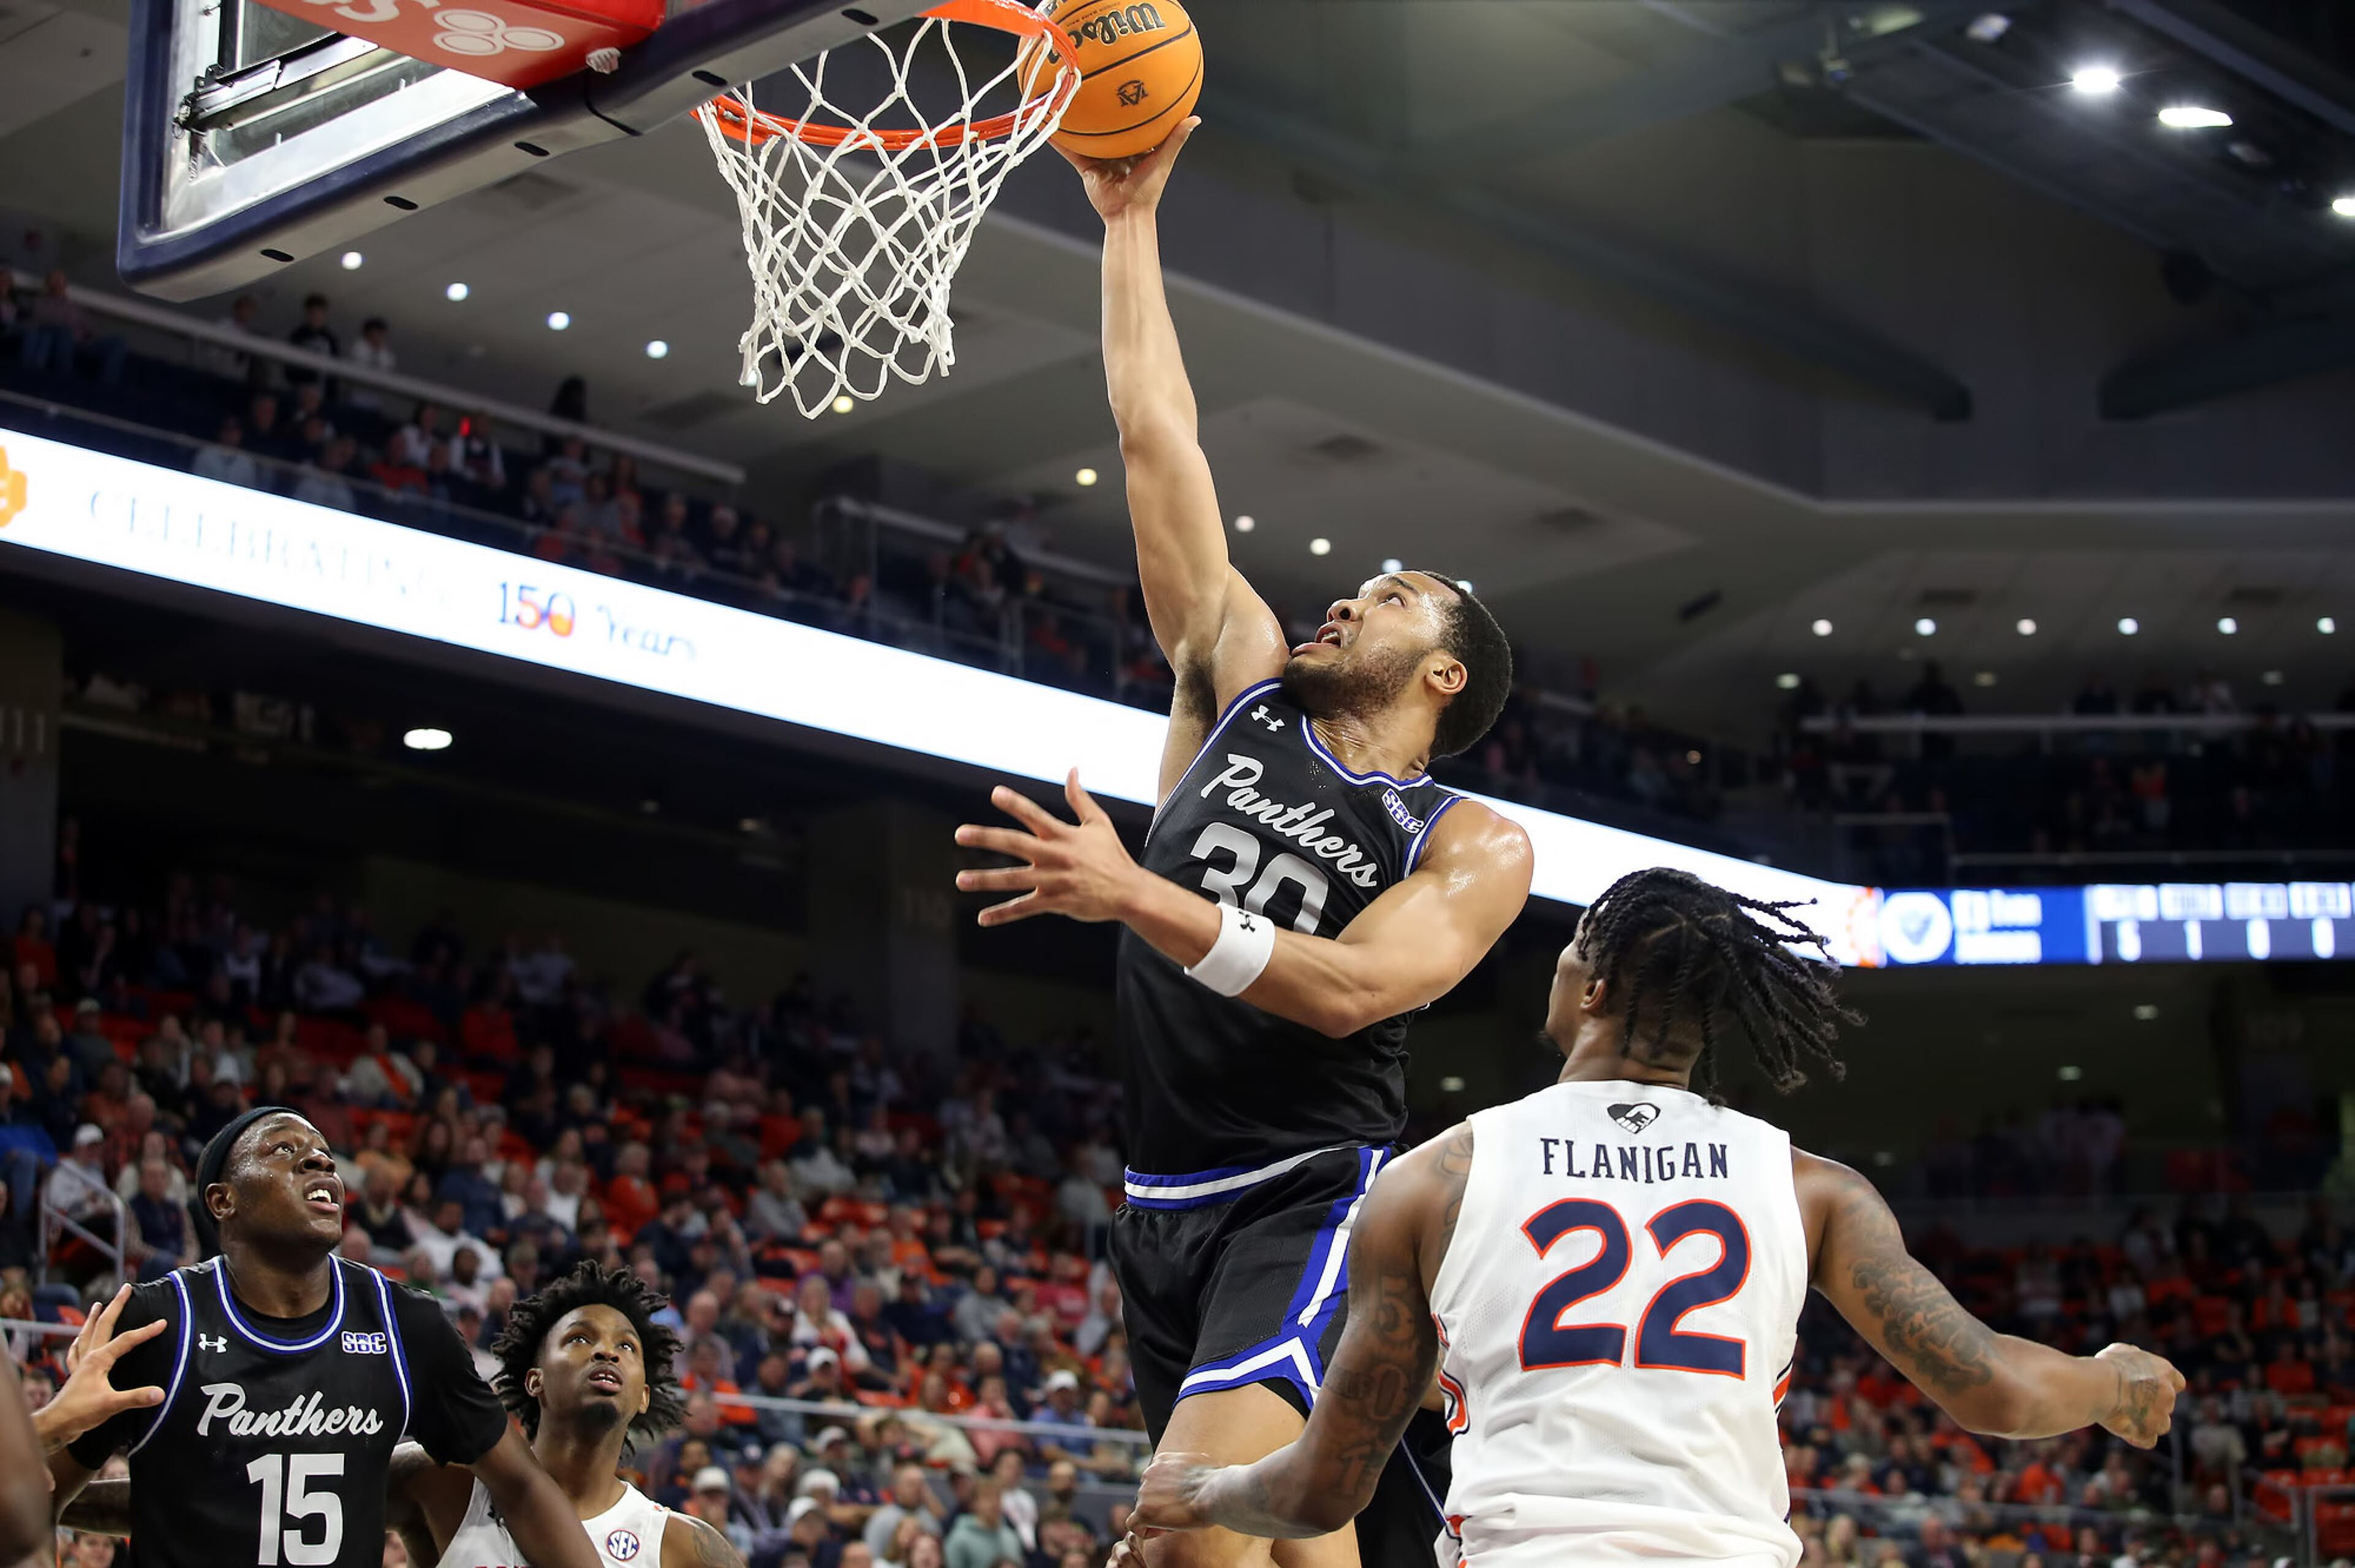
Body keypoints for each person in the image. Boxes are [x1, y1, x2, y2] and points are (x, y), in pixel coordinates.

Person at [954, 118, 1533, 1568]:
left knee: (1180, 1527)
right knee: (1270, 1538)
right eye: (1354, 586)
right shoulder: (1239, 675)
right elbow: (1159, 435)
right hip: (1157, 1196)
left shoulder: (1461, 836)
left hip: (1314, 1191)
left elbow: (1344, 993)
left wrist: (1136, 890)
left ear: (1445, 674)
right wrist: (1126, 218)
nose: (1346, 599)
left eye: (1391, 599)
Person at [1125, 868, 2187, 1566]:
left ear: (1591, 984)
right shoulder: (1810, 1185)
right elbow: (1993, 1386)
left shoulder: (1432, 1180)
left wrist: (1211, 1487)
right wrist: (2114, 1378)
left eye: (1574, 944)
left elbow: (1322, 1489)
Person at [44, 1107, 605, 1568]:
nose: (318, 1160)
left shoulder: (406, 1323)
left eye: (324, 1156)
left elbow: (524, 1488)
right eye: (282, 1150)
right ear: (223, 1200)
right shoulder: (156, 1321)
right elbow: (38, 1500)